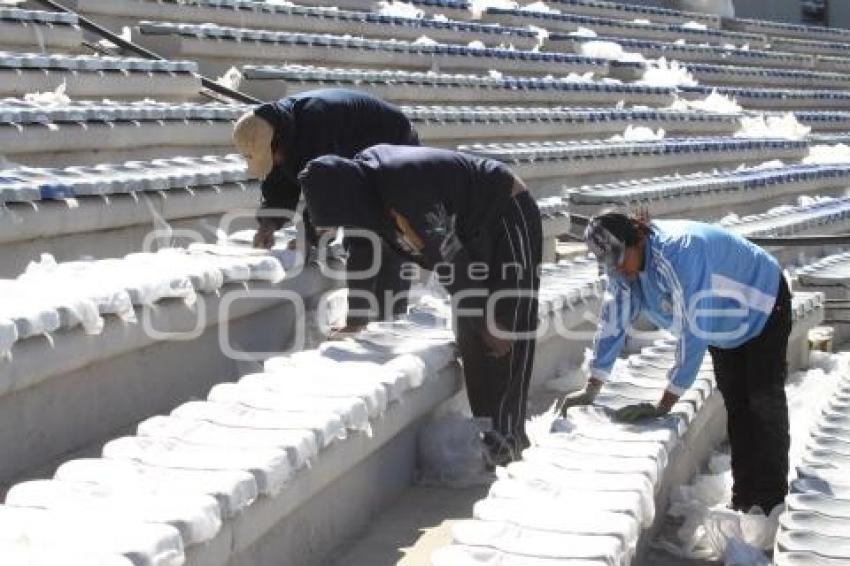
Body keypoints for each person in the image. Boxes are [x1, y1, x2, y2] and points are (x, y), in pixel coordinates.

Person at [299, 145, 542, 465]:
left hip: (504, 212)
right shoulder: (359, 192)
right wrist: (357, 318)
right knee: (470, 333)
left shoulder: (404, 185)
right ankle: (488, 432)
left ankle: (510, 437)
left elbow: (449, 254)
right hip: (468, 231)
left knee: (505, 324)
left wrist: (485, 319)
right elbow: (362, 252)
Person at [559, 210, 791, 514]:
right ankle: (745, 498)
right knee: (738, 406)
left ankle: (772, 500)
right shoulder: (623, 270)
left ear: (637, 240)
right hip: (724, 324)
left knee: (762, 401)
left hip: (763, 303)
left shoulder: (680, 252)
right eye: (610, 263)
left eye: (620, 259)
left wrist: (665, 403)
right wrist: (592, 386)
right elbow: (613, 320)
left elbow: (693, 331)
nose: (619, 269)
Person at [232, 88, 420, 332]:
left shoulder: (315, 127)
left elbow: (329, 194)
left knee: (374, 237)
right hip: (355, 156)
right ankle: (364, 319)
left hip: (394, 146)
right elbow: (279, 177)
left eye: (272, 156)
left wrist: (310, 236)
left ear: (277, 140)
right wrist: (270, 223)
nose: (275, 161)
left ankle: (383, 323)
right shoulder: (277, 129)